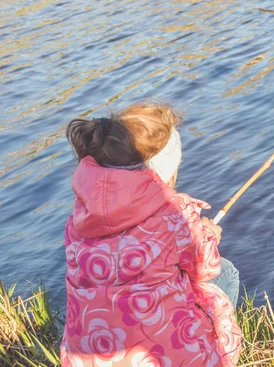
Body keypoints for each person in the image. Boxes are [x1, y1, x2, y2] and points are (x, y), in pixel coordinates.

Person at [60, 103, 242, 366]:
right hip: (165, 358)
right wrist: (209, 236)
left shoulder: (79, 221)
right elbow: (205, 267)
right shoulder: (174, 215)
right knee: (226, 272)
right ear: (165, 172)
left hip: (85, 358)